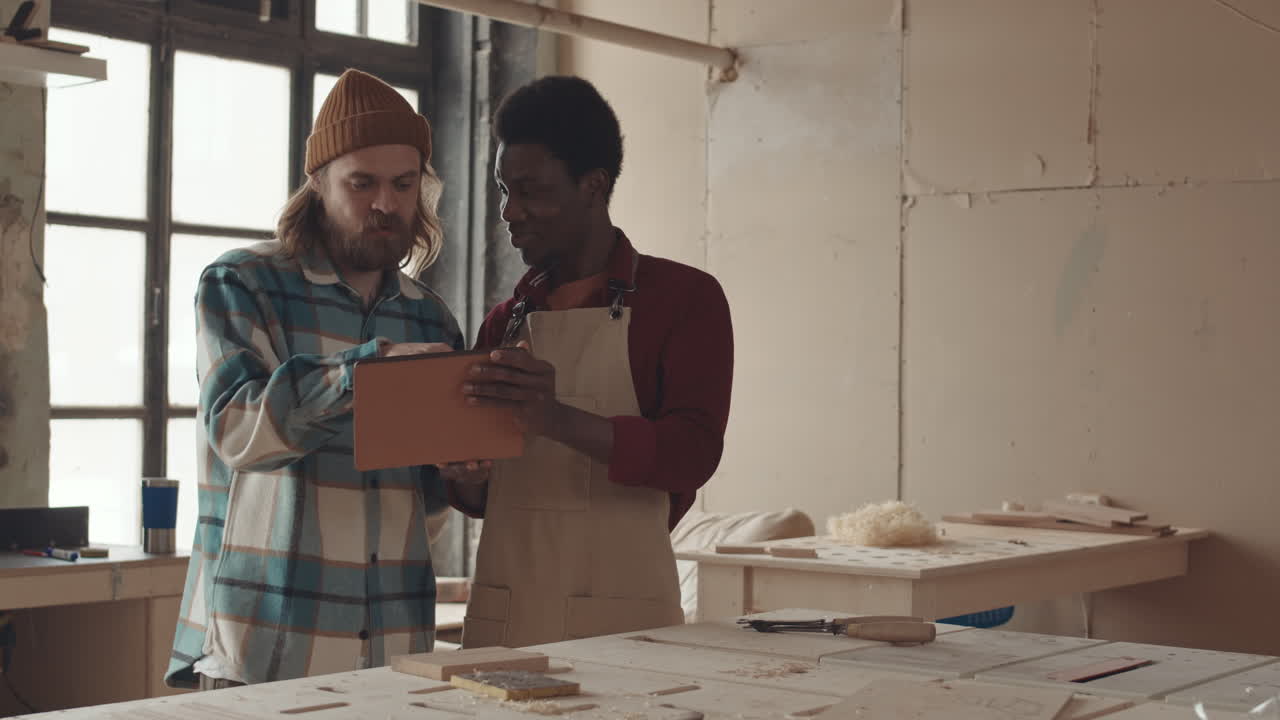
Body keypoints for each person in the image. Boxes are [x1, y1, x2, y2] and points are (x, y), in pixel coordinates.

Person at [165, 69, 462, 689]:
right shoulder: (242, 283)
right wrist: (362, 376)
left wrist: (467, 470)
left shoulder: (429, 316)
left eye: (404, 184)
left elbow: (427, 492)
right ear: (318, 182)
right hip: (266, 643)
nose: (387, 203)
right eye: (363, 183)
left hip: (395, 646)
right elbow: (236, 430)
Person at [445, 76, 735, 648]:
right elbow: (486, 495)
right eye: (504, 190)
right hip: (506, 616)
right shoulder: (504, 320)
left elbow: (693, 454)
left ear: (593, 185)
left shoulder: (682, 299)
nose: (509, 211)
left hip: (622, 624)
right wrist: (466, 475)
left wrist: (554, 417)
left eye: (529, 190)